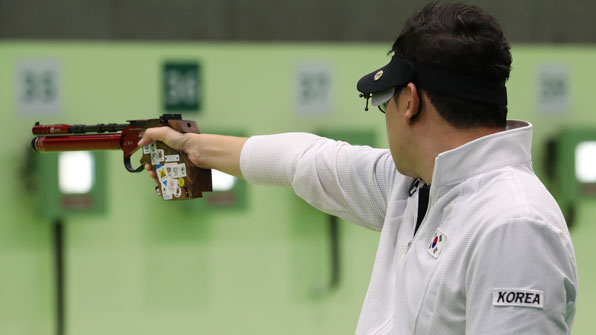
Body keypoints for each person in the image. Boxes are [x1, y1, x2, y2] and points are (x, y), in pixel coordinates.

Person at [138, 3, 578, 334]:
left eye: (383, 102)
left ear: (409, 101)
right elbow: (306, 160)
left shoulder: (514, 225)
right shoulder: (416, 186)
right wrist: (189, 145)